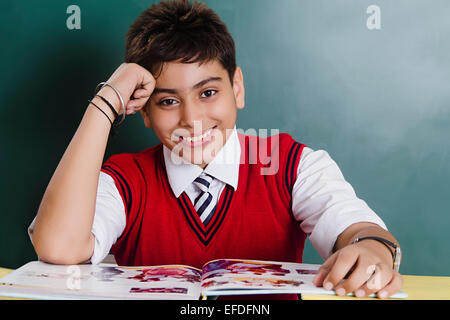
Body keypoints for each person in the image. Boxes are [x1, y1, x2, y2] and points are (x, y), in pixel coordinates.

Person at [28, 0, 402, 299]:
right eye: (167, 102)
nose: (192, 119)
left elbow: (359, 229)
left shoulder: (292, 165)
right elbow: (59, 246)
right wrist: (106, 100)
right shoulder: (126, 181)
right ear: (143, 111)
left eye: (208, 93)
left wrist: (373, 249)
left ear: (237, 88)